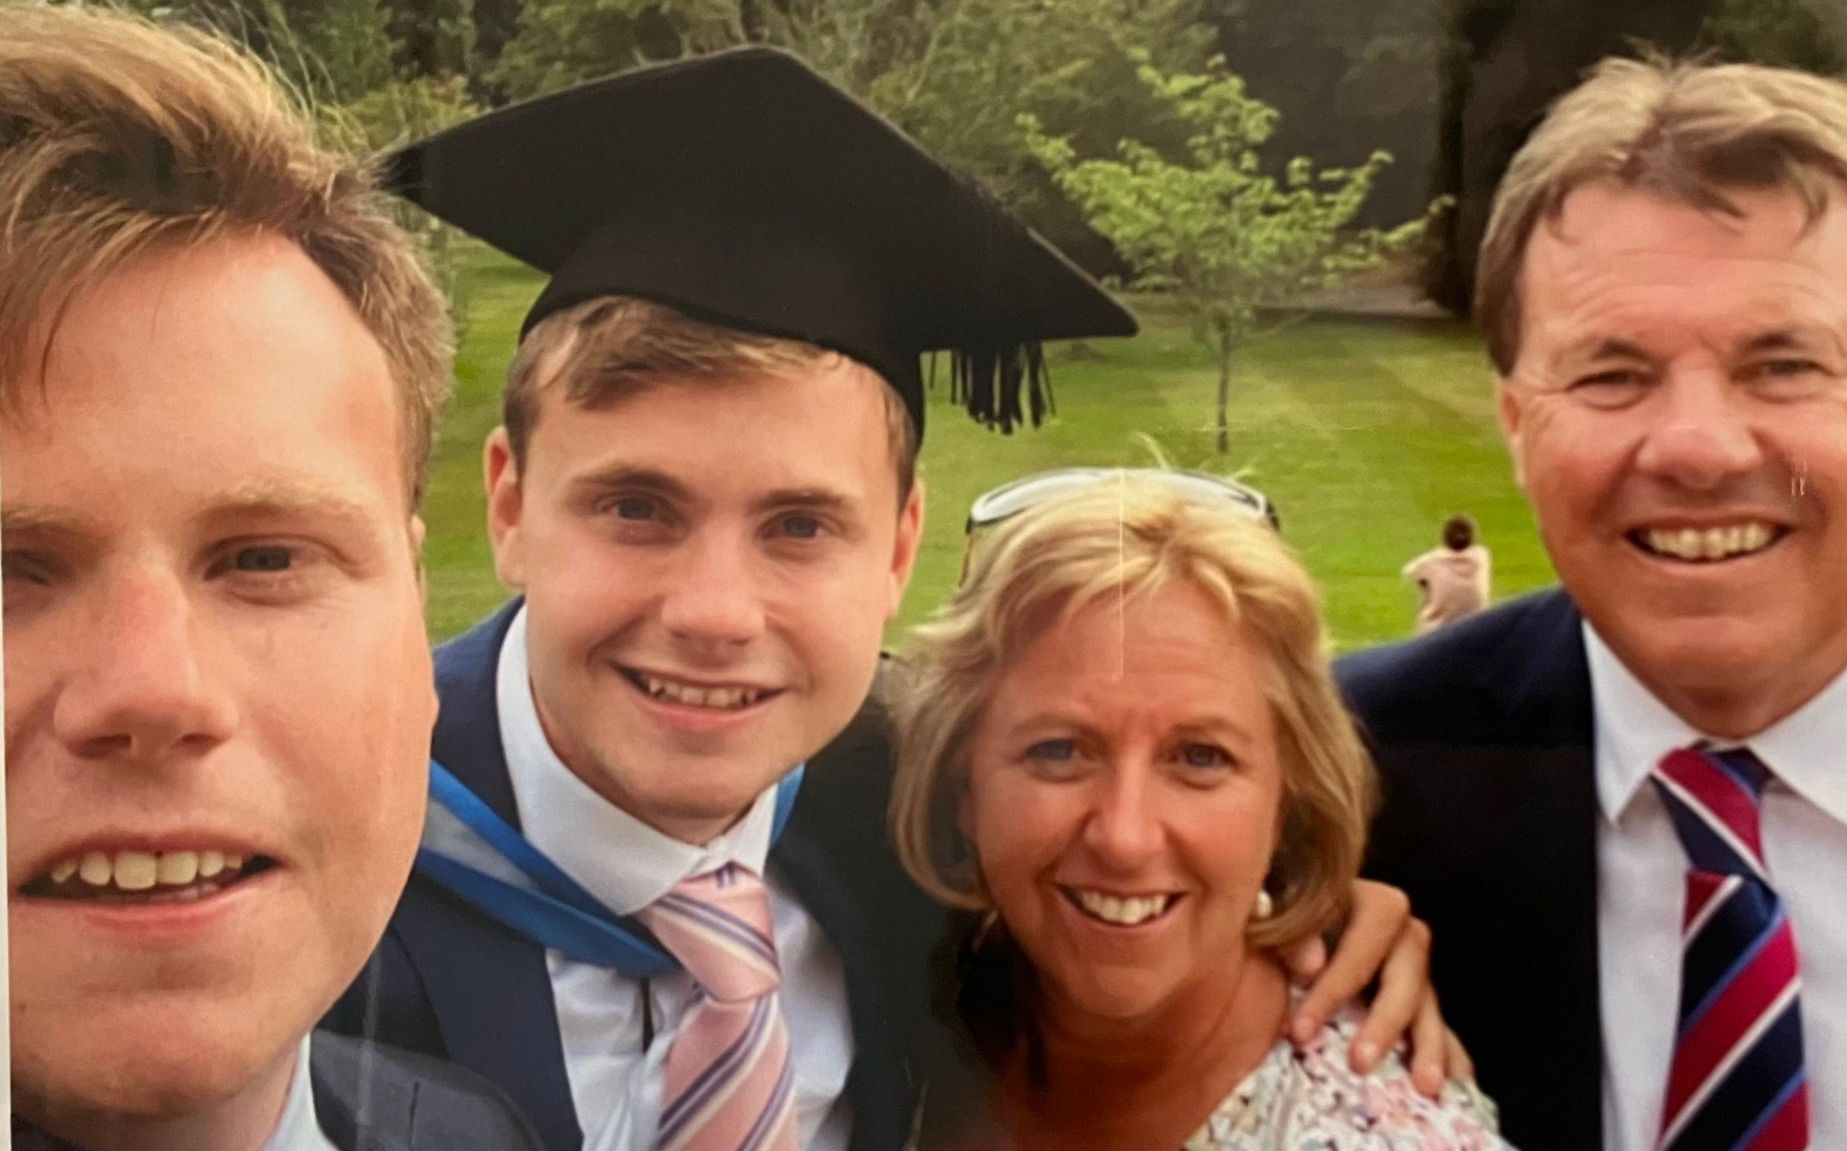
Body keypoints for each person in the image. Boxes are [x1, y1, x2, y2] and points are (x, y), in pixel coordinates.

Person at [323, 48, 1457, 1151]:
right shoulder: (316, 870)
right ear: (510, 503)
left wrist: (1295, 927)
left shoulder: (908, 805)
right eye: (636, 508)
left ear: (900, 545)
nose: (716, 612)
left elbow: (1127, 857)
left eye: (800, 526)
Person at [1337, 56, 1847, 1151]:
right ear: (1519, 423)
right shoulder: (1338, 791)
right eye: (1611, 376)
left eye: (1782, 365)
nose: (1698, 448)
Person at [0, 7, 541, 1150]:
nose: (156, 688)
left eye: (265, 557)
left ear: (416, 617)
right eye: (6, 569)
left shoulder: (466, 1131)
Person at [890, 471, 1509, 1150]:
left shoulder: (1380, 1133)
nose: (1125, 836)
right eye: (1060, 749)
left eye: (1201, 757)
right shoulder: (908, 1002)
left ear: (1287, 796)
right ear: (963, 784)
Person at [1400, 514, 1492, 633]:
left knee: (1424, 586)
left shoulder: (1432, 561)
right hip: (1477, 630)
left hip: (1437, 633)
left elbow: (1407, 572)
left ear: (1445, 538)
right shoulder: (1482, 556)